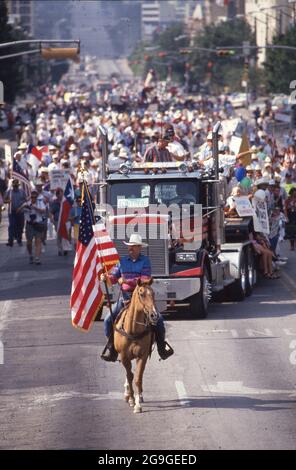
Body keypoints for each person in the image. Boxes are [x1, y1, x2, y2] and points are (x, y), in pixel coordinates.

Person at [100, 233, 174, 362]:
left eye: (134, 246)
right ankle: (112, 348)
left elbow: (144, 280)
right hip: (125, 298)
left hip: (142, 298)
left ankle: (161, 348)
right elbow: (113, 277)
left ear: (140, 248)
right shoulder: (121, 262)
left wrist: (126, 281)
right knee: (107, 321)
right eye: (130, 246)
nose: (131, 248)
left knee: (159, 320)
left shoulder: (145, 261)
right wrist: (106, 277)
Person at [19, 189, 46, 264]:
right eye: (32, 197)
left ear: (37, 197)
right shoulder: (27, 203)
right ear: (31, 197)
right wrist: (23, 207)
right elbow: (18, 211)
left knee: (38, 241)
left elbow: (43, 210)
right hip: (29, 225)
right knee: (29, 242)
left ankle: (37, 258)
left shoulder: (40, 203)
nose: (33, 198)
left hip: (38, 224)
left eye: (35, 197)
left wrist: (35, 207)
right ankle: (30, 255)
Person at [4, 179, 27, 247]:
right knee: (12, 225)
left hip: (20, 211)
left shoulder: (22, 192)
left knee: (20, 226)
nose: (15, 187)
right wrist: (8, 200)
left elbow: (25, 201)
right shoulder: (9, 192)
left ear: (18, 186)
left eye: (16, 186)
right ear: (12, 186)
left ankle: (19, 239)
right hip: (12, 211)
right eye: (14, 186)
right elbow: (4, 200)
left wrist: (21, 207)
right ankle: (10, 240)